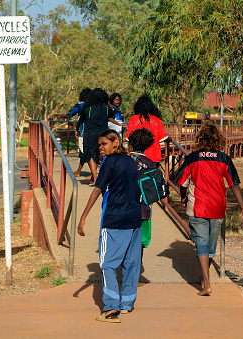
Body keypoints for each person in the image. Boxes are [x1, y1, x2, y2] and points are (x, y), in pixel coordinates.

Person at [174, 124, 243, 296]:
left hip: (197, 206)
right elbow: (234, 185)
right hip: (217, 207)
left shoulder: (193, 158)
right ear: (218, 140)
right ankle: (205, 278)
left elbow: (182, 182)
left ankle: (206, 283)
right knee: (210, 246)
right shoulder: (224, 159)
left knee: (201, 244)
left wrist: (183, 196)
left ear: (200, 139)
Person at [77, 129, 142, 323]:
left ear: (115, 142)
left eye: (104, 144)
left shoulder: (109, 162)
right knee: (132, 263)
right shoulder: (131, 161)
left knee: (107, 264)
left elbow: (98, 189)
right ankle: (127, 304)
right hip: (134, 218)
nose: (100, 148)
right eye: (99, 145)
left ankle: (112, 307)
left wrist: (83, 216)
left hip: (114, 219)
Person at [77, 88, 124, 184]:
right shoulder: (106, 108)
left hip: (89, 135)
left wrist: (76, 129)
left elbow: (80, 121)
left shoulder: (87, 108)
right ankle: (97, 177)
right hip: (102, 135)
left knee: (90, 155)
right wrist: (118, 124)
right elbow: (111, 116)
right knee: (100, 155)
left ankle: (94, 177)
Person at [127, 128, 156, 266]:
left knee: (125, 240)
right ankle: (136, 273)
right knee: (140, 243)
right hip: (144, 208)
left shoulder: (125, 159)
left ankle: (126, 270)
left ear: (130, 144)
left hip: (125, 207)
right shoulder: (150, 163)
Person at [57, 88, 92, 177]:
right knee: (84, 152)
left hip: (84, 132)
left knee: (85, 151)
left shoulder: (80, 105)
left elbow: (69, 114)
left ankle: (93, 175)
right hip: (96, 131)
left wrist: (60, 116)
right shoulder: (96, 105)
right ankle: (79, 171)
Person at [125, 95, 169, 167]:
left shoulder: (133, 119)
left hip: (137, 156)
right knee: (152, 176)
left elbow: (128, 138)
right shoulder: (156, 119)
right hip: (154, 156)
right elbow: (163, 137)